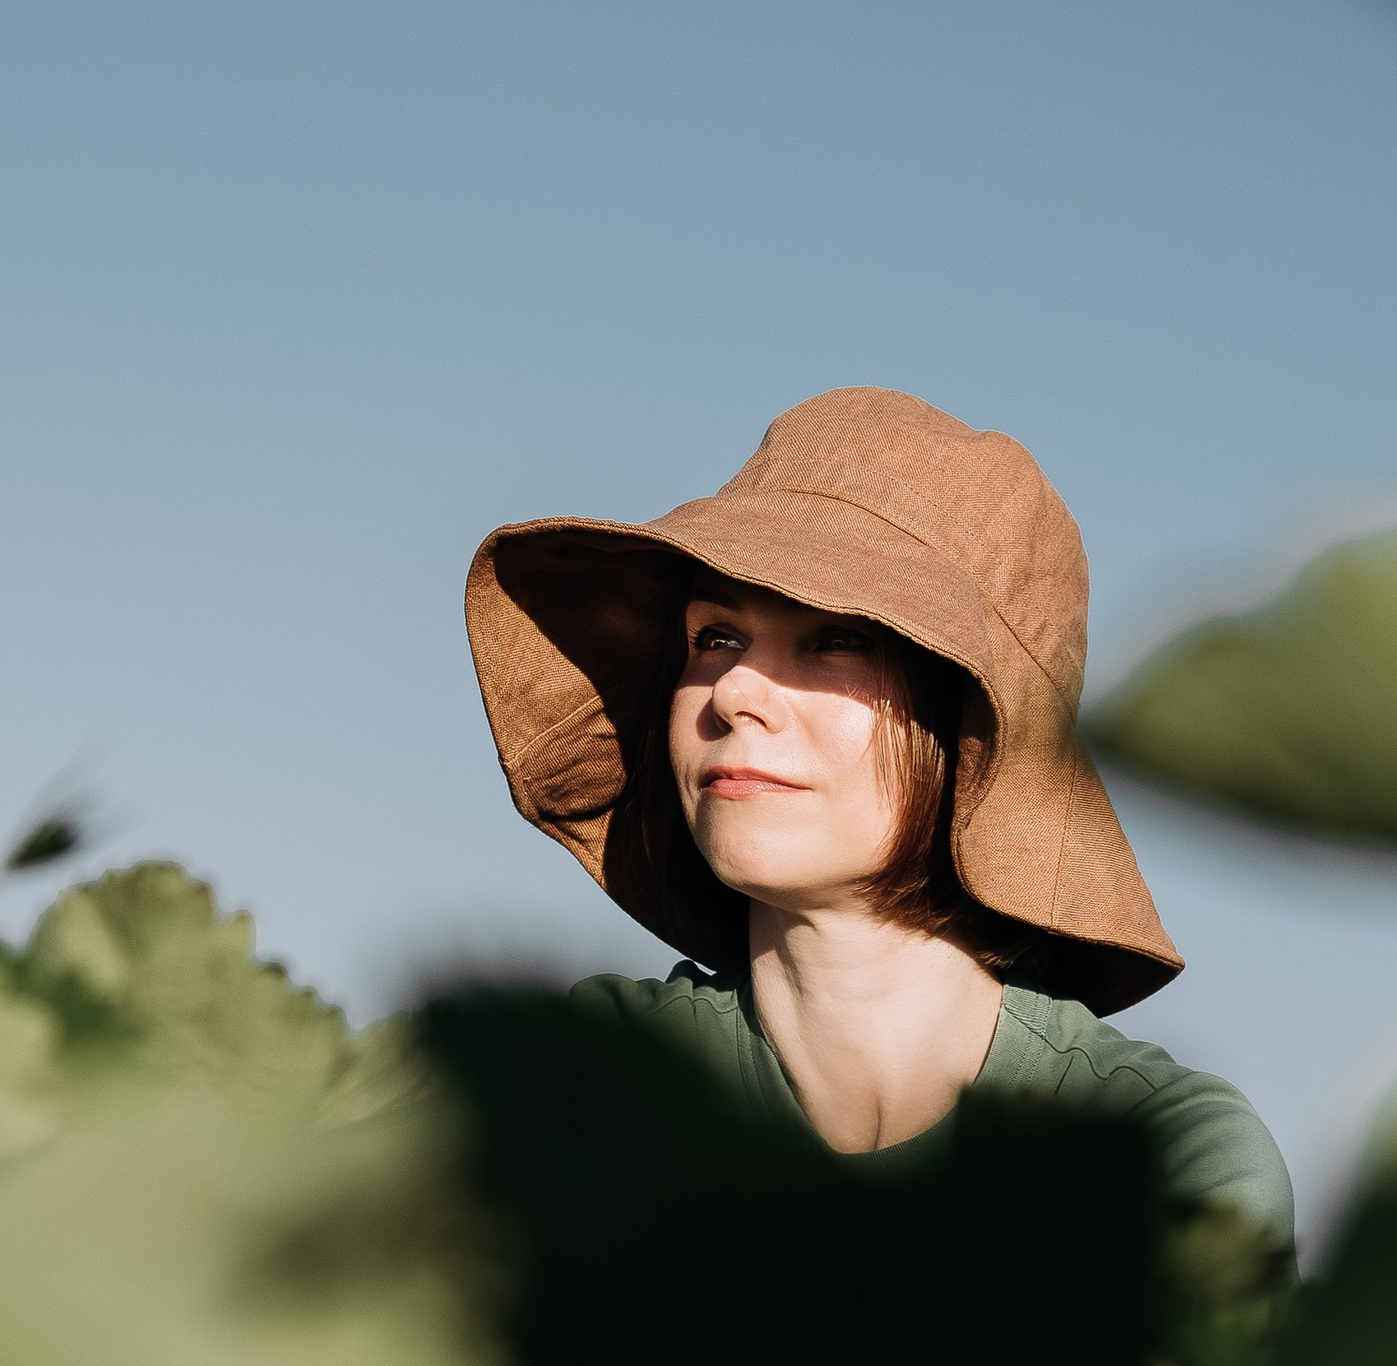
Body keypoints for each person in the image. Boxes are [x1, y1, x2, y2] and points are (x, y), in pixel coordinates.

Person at [463, 384, 1292, 1255]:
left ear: (969, 726)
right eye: (715, 638)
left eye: (836, 639)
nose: (735, 692)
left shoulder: (1165, 1163)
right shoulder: (562, 1091)